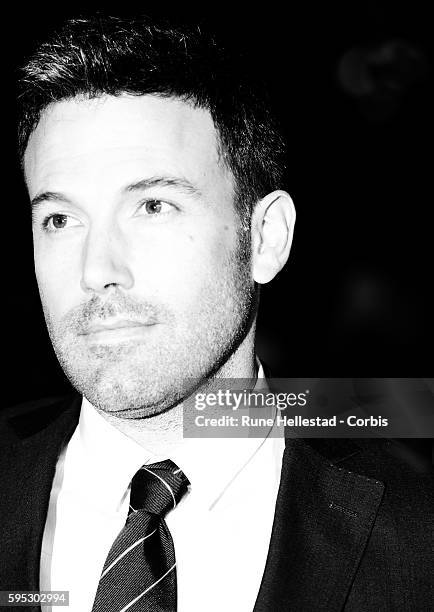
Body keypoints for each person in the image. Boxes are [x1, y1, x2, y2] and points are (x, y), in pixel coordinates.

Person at [0, 14, 432, 612]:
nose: (96, 268)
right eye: (60, 219)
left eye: (153, 205)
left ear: (265, 239)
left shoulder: (417, 540)